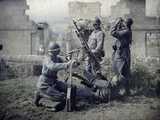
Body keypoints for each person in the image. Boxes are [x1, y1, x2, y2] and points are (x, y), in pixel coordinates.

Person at [34, 42, 98, 112]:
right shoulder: (47, 58)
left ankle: (72, 106)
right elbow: (53, 67)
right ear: (53, 51)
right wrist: (67, 64)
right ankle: (40, 95)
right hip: (45, 83)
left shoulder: (57, 57)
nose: (59, 51)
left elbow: (66, 60)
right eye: (58, 50)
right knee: (61, 97)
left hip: (54, 81)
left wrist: (75, 62)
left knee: (72, 88)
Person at [110, 17, 133, 95]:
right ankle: (126, 91)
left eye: (124, 22)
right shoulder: (127, 31)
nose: (123, 23)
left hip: (122, 54)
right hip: (123, 52)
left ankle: (120, 90)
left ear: (127, 24)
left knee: (120, 72)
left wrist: (117, 22)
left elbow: (113, 32)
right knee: (124, 72)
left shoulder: (126, 31)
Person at [83, 17, 105, 85]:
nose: (94, 26)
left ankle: (102, 85)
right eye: (94, 24)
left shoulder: (100, 33)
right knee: (88, 72)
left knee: (96, 72)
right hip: (89, 55)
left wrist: (93, 51)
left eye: (96, 24)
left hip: (95, 56)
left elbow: (100, 46)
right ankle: (90, 86)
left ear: (99, 24)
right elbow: (89, 43)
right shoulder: (93, 33)